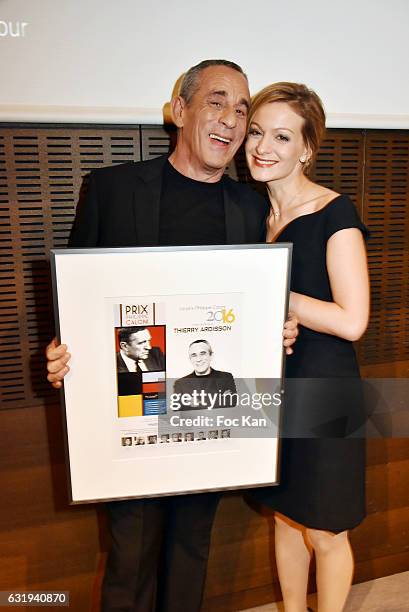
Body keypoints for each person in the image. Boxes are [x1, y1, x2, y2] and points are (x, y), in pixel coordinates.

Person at [45, 60, 298, 612]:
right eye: (217, 101)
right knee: (129, 556)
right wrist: (61, 351)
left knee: (191, 550)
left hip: (205, 404)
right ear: (180, 111)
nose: (231, 119)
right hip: (133, 399)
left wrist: (277, 327)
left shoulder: (252, 207)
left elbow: (257, 304)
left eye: (241, 108)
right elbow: (78, 295)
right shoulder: (112, 189)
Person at [245, 82, 369, 612]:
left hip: (324, 390)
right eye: (255, 132)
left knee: (324, 530)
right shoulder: (255, 217)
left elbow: (353, 320)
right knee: (284, 515)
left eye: (281, 136)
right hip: (272, 386)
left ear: (306, 149)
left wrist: (276, 292)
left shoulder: (335, 213)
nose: (261, 147)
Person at [173, 339, 236, 409]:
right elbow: (177, 410)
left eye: (202, 354)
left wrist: (197, 404)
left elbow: (232, 403)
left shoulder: (226, 377)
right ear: (190, 359)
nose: (198, 359)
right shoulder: (180, 383)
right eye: (194, 355)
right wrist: (220, 399)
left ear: (211, 356)